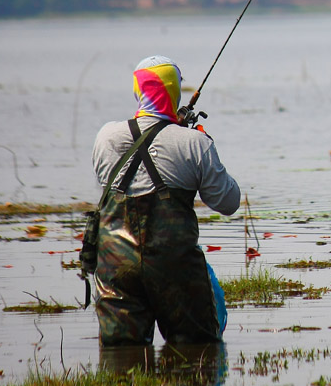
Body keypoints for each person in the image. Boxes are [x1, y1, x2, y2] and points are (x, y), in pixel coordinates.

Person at [91, 55, 240, 346]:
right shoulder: (194, 143)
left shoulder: (105, 137)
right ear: (175, 90)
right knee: (197, 346)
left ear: (138, 90)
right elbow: (228, 202)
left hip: (115, 264)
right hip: (175, 265)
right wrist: (202, 141)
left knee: (121, 352)